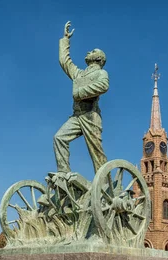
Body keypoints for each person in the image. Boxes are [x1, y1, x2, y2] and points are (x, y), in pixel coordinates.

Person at [53, 21, 109, 174]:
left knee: (97, 154)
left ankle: (106, 185)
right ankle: (63, 175)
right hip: (77, 117)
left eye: (93, 51)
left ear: (99, 59)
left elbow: (103, 86)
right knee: (59, 137)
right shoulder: (79, 74)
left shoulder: (101, 73)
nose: (88, 52)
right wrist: (65, 39)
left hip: (91, 116)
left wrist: (80, 93)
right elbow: (65, 61)